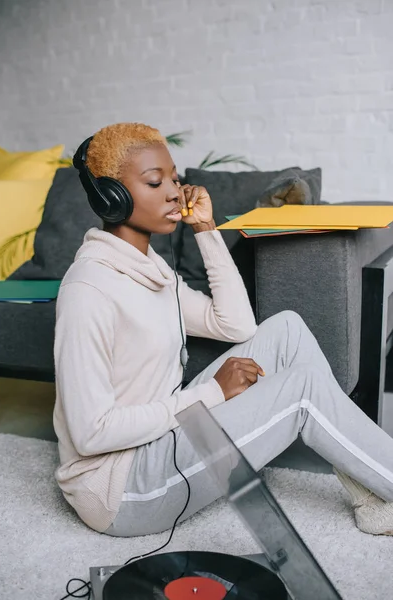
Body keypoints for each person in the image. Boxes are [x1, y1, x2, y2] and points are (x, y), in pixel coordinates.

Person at [53, 122, 393, 538]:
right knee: (301, 389)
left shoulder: (152, 271)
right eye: (154, 182)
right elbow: (92, 434)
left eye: (175, 179)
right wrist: (211, 393)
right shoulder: (88, 290)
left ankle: (372, 496)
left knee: (286, 328)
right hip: (120, 490)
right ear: (113, 198)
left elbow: (235, 324)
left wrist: (205, 230)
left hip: (164, 438)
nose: (174, 192)